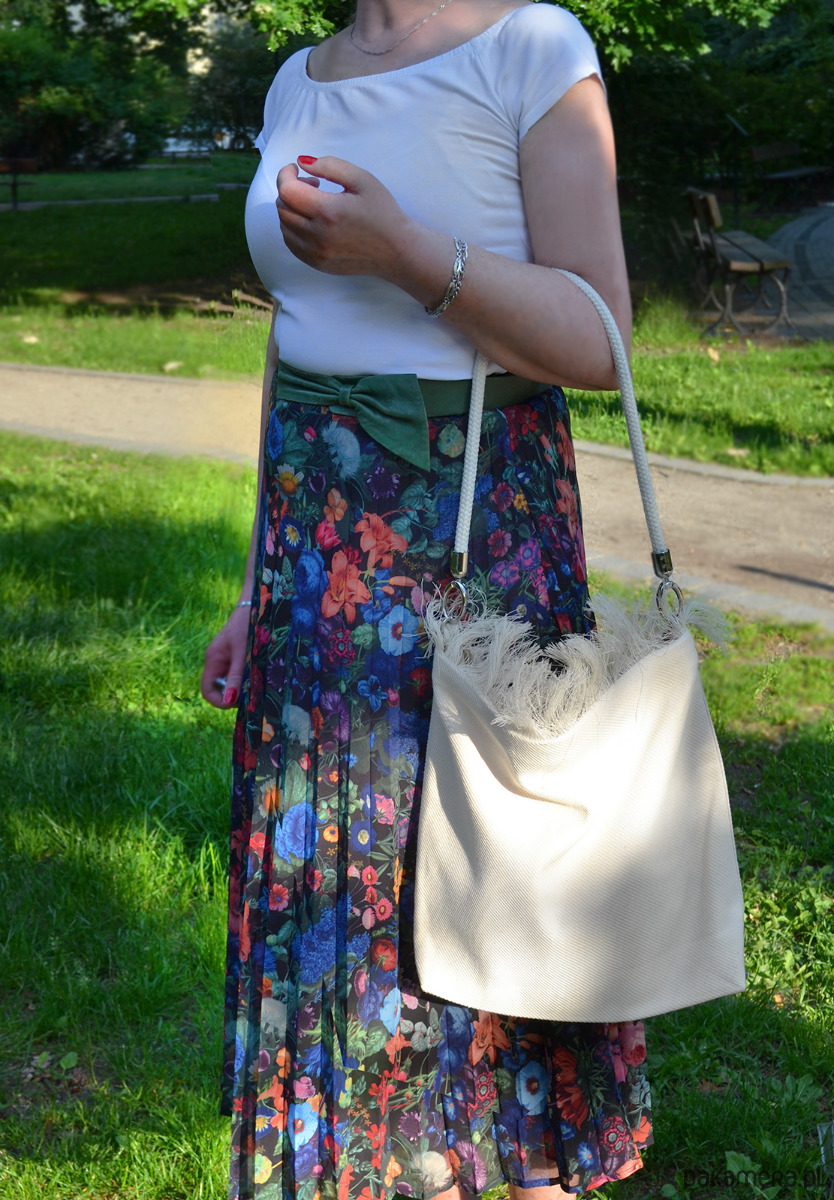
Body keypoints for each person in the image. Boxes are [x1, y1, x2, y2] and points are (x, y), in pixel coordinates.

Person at [201, 2, 653, 1197]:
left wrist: (408, 252)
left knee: (498, 876)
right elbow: (295, 342)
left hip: (475, 556)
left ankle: (517, 1164)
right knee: (348, 898)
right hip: (316, 576)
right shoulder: (298, 80)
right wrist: (256, 583)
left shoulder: (532, 48)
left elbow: (599, 337)